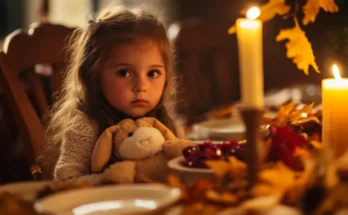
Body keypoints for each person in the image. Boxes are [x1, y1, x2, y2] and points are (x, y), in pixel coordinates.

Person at [39, 6, 184, 184]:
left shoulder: (163, 118)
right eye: (124, 73)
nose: (141, 86)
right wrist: (115, 178)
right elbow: (66, 180)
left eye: (152, 73)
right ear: (95, 75)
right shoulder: (85, 125)